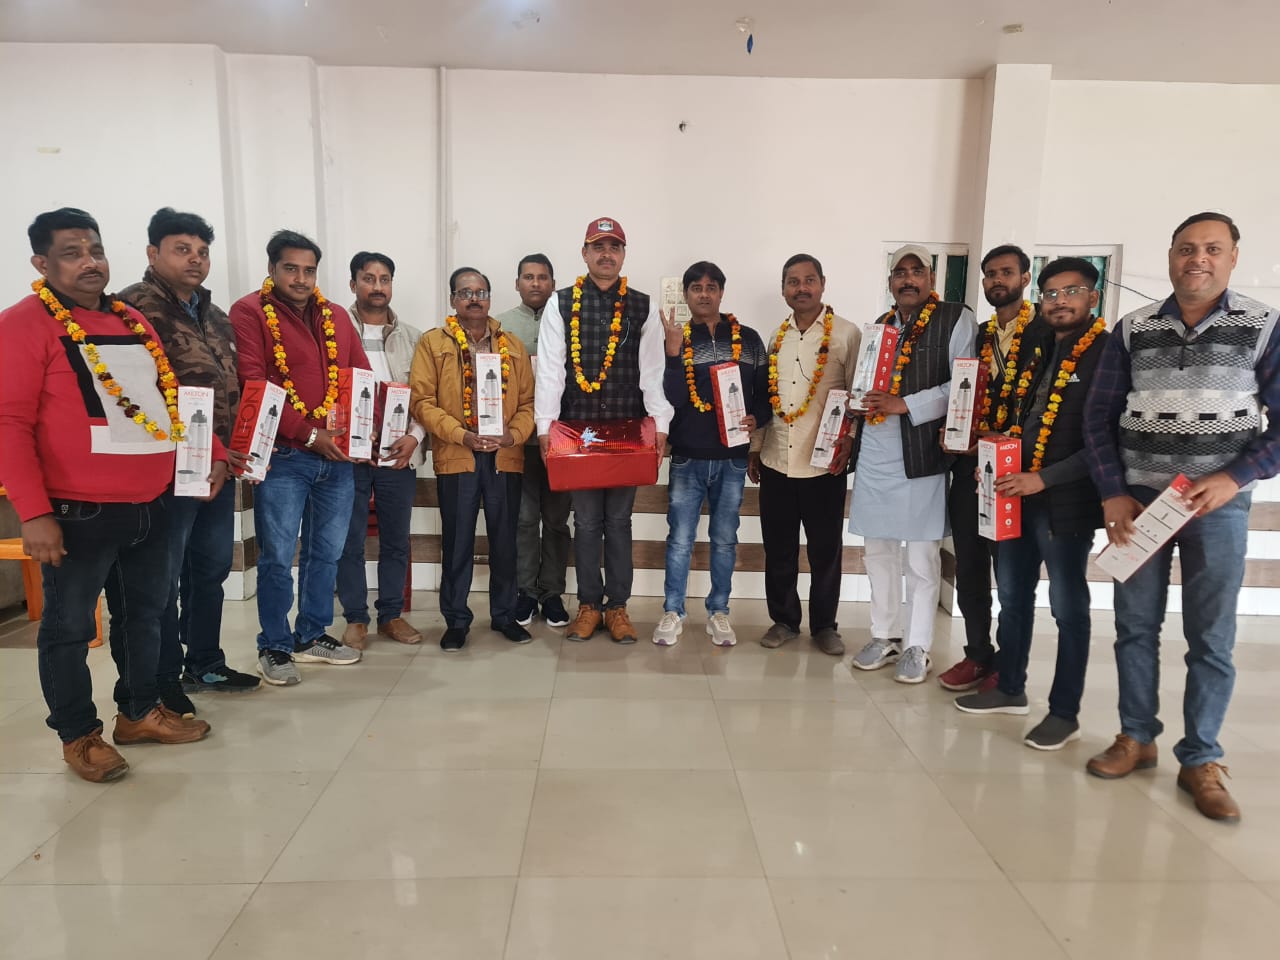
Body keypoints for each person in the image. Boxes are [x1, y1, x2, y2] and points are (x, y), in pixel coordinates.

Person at [0, 208, 215, 782]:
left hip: (153, 502)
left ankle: (139, 712)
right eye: (71, 253)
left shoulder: (130, 319)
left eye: (94, 249)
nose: (90, 262)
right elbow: (9, 424)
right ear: (41, 263)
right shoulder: (23, 324)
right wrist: (34, 513)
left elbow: (167, 398)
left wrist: (209, 453)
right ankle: (78, 735)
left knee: (145, 616)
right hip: (77, 511)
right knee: (69, 629)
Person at [1084, 212, 1280, 822]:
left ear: (1233, 257)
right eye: (1187, 248)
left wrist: (1235, 476)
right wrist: (1113, 493)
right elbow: (1098, 416)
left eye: (1212, 249)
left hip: (1215, 507)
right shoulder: (1133, 328)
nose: (1198, 259)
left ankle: (1202, 758)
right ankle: (1136, 736)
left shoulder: (1264, 327)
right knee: (1134, 627)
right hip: (1139, 506)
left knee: (1211, 636)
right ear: (1170, 256)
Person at [108, 207, 260, 716]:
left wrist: (235, 448)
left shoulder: (214, 315)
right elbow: (139, 395)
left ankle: (205, 663)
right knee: (162, 577)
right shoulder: (132, 309)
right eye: (182, 249)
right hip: (167, 468)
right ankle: (163, 677)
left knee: (210, 568)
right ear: (153, 253)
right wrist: (204, 450)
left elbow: (233, 386)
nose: (195, 259)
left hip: (220, 466)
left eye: (202, 251)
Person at [955, 257, 1108, 751]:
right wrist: (997, 454)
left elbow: (1103, 441)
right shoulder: (1040, 346)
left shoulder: (1105, 353)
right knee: (1013, 595)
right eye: (1052, 294)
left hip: (1066, 502)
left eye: (1072, 291)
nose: (1060, 302)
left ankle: (1064, 713)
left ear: (1093, 298)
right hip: (1017, 492)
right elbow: (1023, 415)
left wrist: (1043, 478)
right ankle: (1010, 687)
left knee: (1067, 608)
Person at [229, 230, 370, 686]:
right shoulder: (249, 312)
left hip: (338, 458)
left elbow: (361, 377)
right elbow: (253, 382)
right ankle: (274, 644)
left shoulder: (336, 317)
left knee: (326, 553)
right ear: (271, 268)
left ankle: (310, 635)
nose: (301, 278)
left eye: (309, 270)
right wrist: (310, 434)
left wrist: (367, 431)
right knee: (276, 556)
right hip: (284, 456)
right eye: (291, 268)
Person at [534, 217, 674, 644]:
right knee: (586, 521)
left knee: (619, 521)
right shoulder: (560, 304)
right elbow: (551, 370)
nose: (606, 254)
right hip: (576, 432)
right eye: (598, 246)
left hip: (628, 431)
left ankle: (618, 608)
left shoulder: (642, 306)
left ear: (623, 255)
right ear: (585, 253)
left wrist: (661, 423)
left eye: (614, 247)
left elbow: (652, 371)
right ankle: (589, 606)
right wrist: (544, 427)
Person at [848, 244, 978, 683]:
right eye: (899, 272)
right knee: (878, 552)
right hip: (875, 452)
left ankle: (918, 645)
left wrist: (905, 404)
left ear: (931, 279)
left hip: (921, 451)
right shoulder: (881, 326)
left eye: (916, 271)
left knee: (921, 557)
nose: (907, 279)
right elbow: (865, 384)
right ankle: (884, 634)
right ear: (890, 282)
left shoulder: (955, 318)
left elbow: (963, 383)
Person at [409, 267, 535, 650]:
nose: (474, 299)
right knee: (458, 542)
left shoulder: (512, 346)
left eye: (480, 292)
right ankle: (456, 621)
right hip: (458, 455)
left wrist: (512, 435)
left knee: (505, 541)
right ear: (453, 299)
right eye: (465, 292)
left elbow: (529, 403)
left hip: (503, 456)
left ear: (490, 298)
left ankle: (504, 616)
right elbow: (422, 401)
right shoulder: (433, 343)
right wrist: (461, 434)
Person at [938, 244, 1041, 692]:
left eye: (1006, 272)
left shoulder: (1044, 333)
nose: (998, 280)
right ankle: (977, 654)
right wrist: (953, 433)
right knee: (971, 567)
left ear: (1025, 278)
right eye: (991, 274)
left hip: (1017, 472)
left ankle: (1009, 664)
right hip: (970, 467)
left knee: (1012, 576)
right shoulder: (977, 337)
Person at [655, 261, 772, 646]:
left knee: (724, 540)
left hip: (732, 459)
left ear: (721, 292)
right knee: (680, 539)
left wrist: (757, 418)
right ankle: (673, 611)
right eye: (696, 288)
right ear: (686, 294)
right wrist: (673, 354)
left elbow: (765, 396)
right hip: (687, 457)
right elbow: (672, 399)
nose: (703, 294)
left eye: (711, 287)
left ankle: (719, 612)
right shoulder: (676, 337)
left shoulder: (748, 339)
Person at [747, 254, 858, 655]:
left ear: (822, 284)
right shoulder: (776, 338)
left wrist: (850, 440)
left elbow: (858, 396)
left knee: (825, 551)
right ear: (783, 290)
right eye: (793, 282)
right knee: (779, 549)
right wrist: (756, 448)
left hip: (824, 462)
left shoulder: (846, 334)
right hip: (777, 459)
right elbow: (766, 400)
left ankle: (825, 626)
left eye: (809, 280)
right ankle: (784, 620)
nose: (802, 288)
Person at [335, 251, 427, 649]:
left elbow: (426, 398)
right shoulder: (334, 331)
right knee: (349, 539)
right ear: (353, 283)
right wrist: (343, 436)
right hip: (348, 455)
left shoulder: (414, 337)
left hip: (397, 453)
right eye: (368, 278)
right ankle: (356, 618)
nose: (377, 286)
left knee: (396, 539)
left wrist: (415, 437)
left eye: (384, 279)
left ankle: (391, 615)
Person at [496, 254, 571, 629]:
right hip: (518, 440)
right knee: (524, 520)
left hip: (562, 440)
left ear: (553, 283)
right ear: (517, 283)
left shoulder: (569, 320)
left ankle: (552, 593)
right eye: (528, 277)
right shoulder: (501, 326)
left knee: (556, 521)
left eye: (543, 277)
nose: (536, 283)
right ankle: (525, 592)